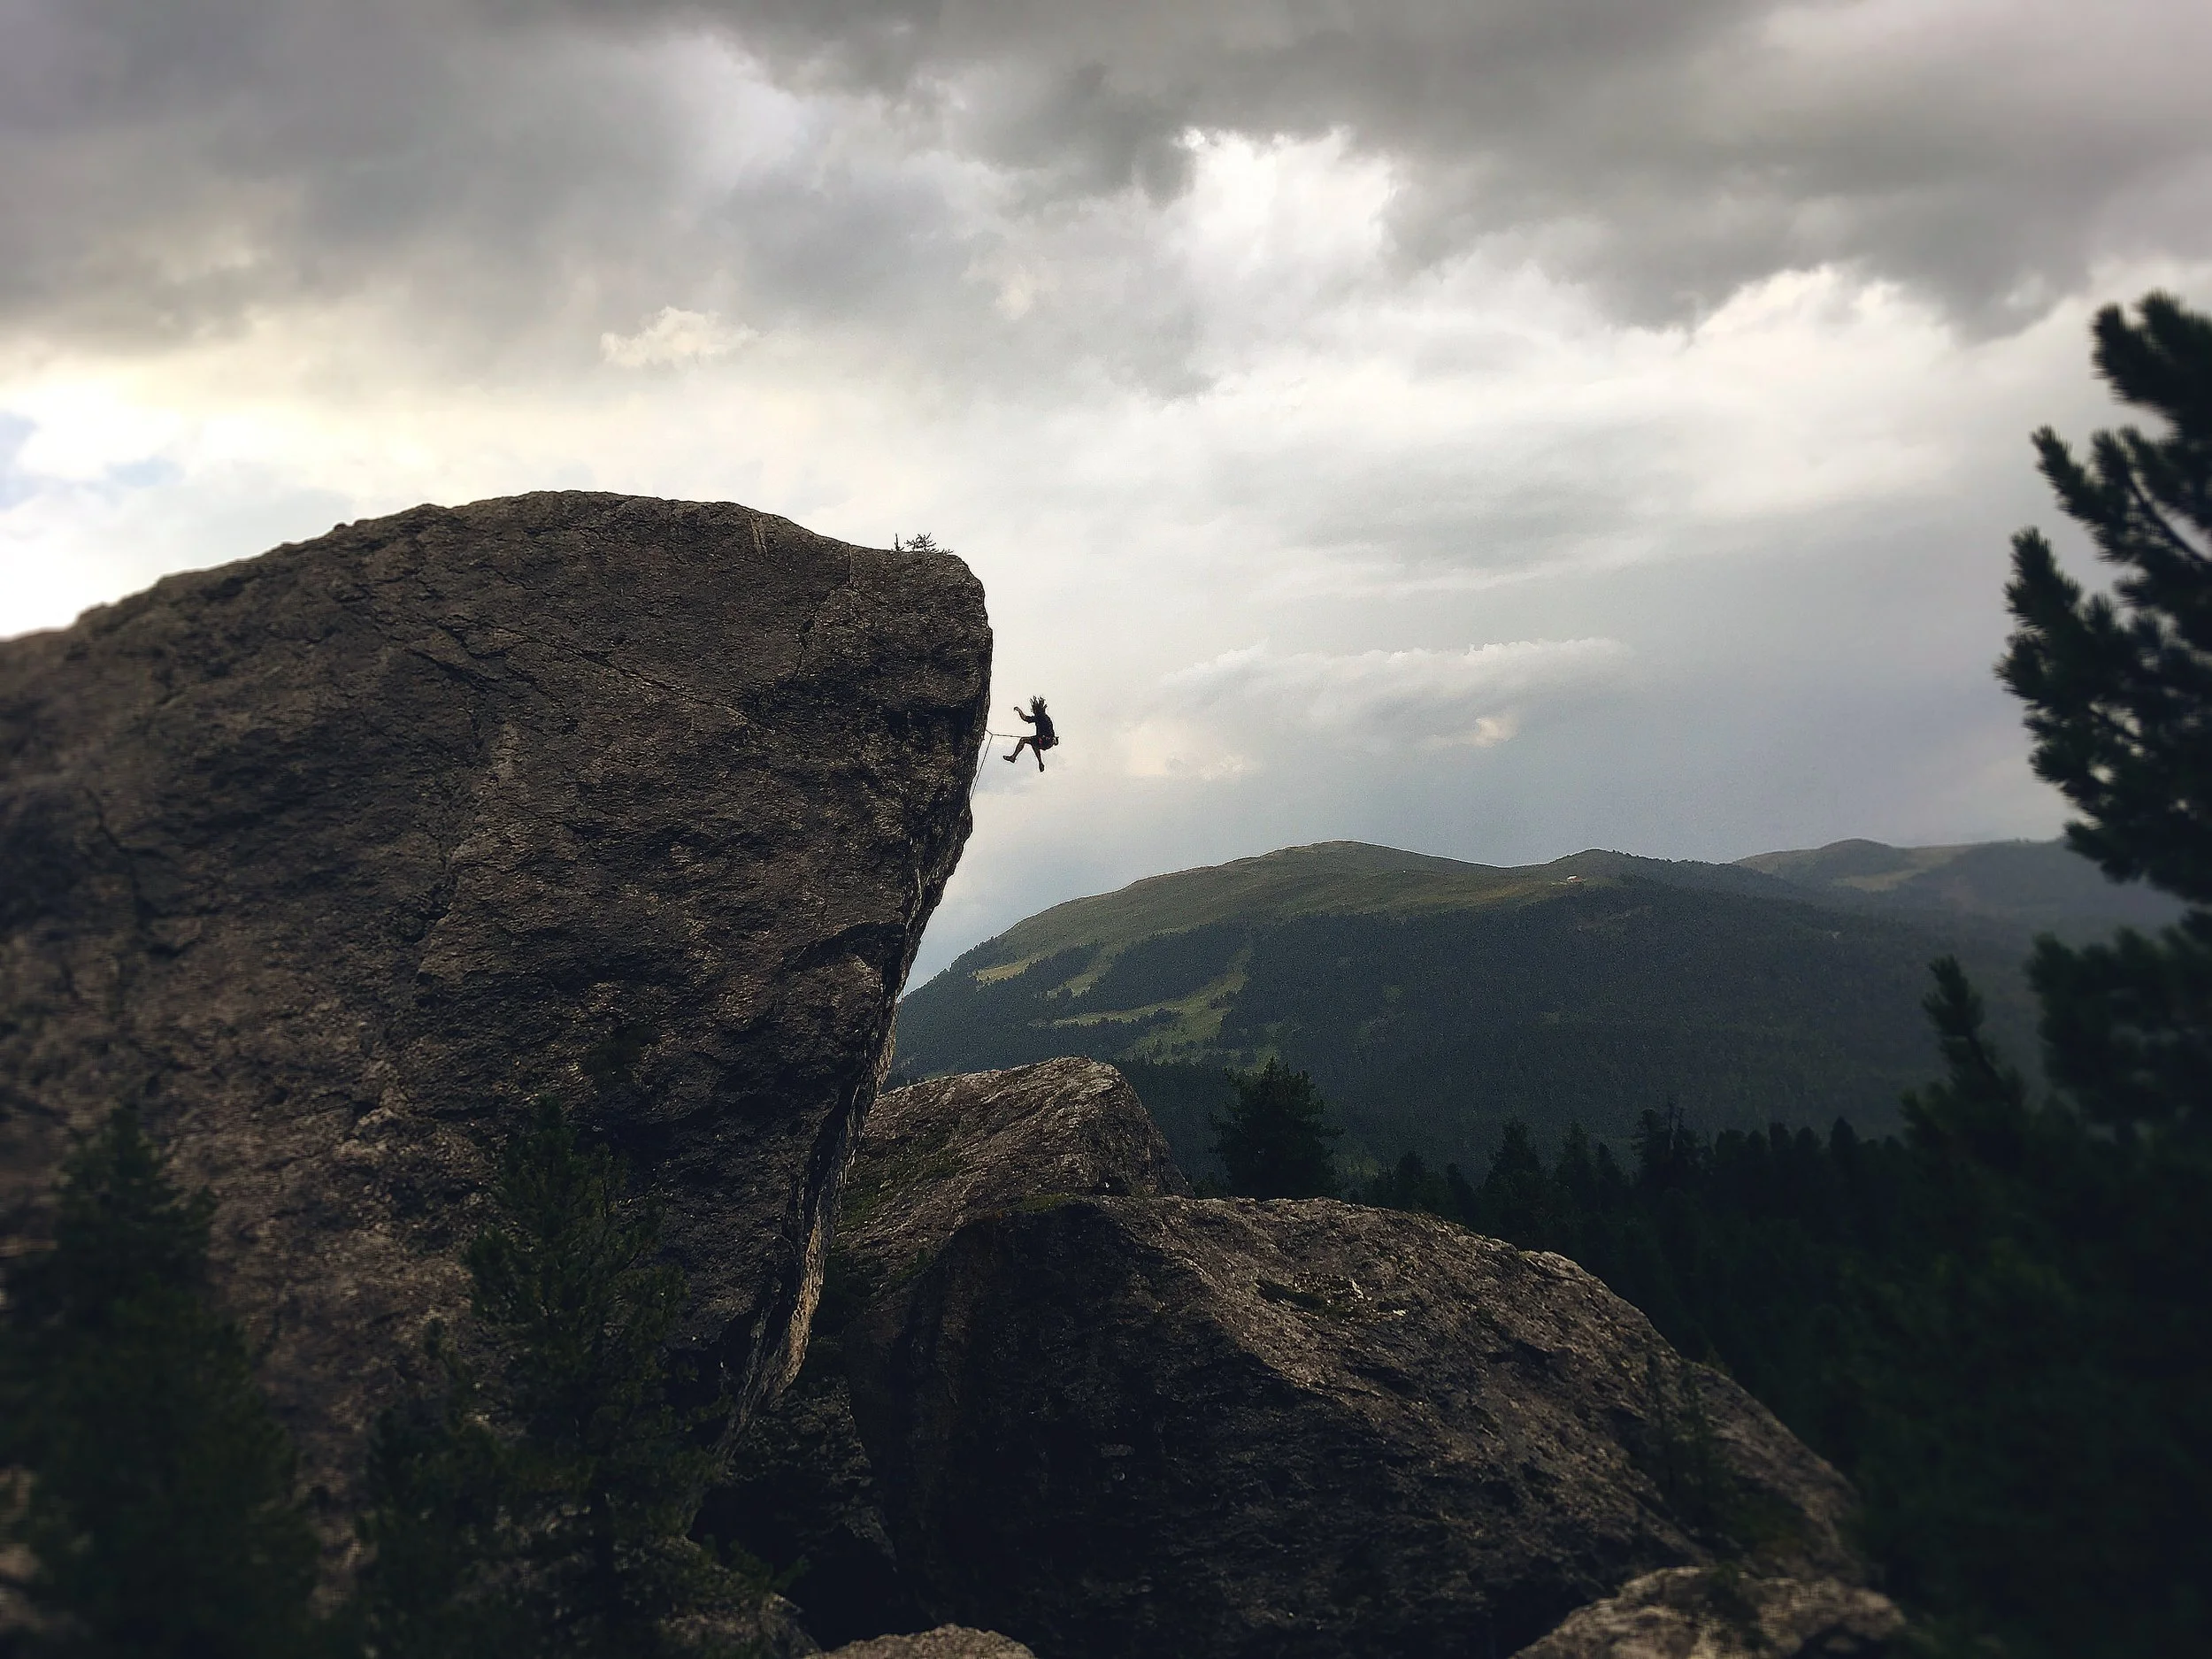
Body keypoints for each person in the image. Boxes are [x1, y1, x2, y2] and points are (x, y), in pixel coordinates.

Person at [1003, 696, 1057, 771]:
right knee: (1034, 743)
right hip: (1046, 741)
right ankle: (1040, 763)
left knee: (1023, 740)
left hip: (1045, 740)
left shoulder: (1040, 717)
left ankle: (1013, 757)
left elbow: (1025, 718)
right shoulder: (1044, 717)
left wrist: (1019, 710)